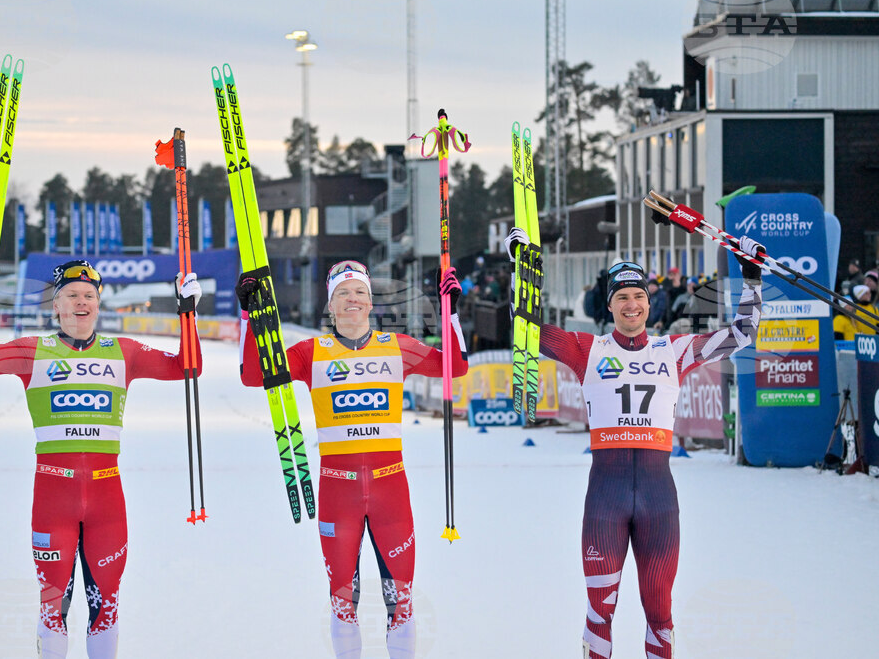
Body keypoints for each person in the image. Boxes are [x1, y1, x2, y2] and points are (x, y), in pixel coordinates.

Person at [505, 227, 764, 659]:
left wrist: (751, 276)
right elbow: (525, 327)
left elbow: (741, 335)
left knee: (660, 613)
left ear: (649, 303)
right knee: (599, 612)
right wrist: (520, 269)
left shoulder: (674, 350)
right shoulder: (587, 349)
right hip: (605, 499)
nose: (632, 305)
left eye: (638, 296)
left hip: (659, 501)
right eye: (622, 297)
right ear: (609, 306)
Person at [0, 258, 202, 658]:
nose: (82, 302)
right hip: (53, 499)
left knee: (106, 607)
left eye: (90, 295)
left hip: (107, 502)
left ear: (99, 303)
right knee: (53, 608)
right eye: (71, 295)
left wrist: (188, 311)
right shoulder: (33, 351)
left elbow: (188, 367)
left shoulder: (123, 351)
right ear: (55, 305)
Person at [237, 260, 468, 659]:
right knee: (344, 603)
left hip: (390, 492)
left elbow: (456, 365)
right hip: (337, 493)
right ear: (331, 305)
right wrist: (248, 315)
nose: (352, 299)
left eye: (359, 291)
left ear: (371, 301)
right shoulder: (312, 352)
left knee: (402, 602)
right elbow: (254, 374)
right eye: (343, 293)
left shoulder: (397, 347)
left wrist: (451, 310)